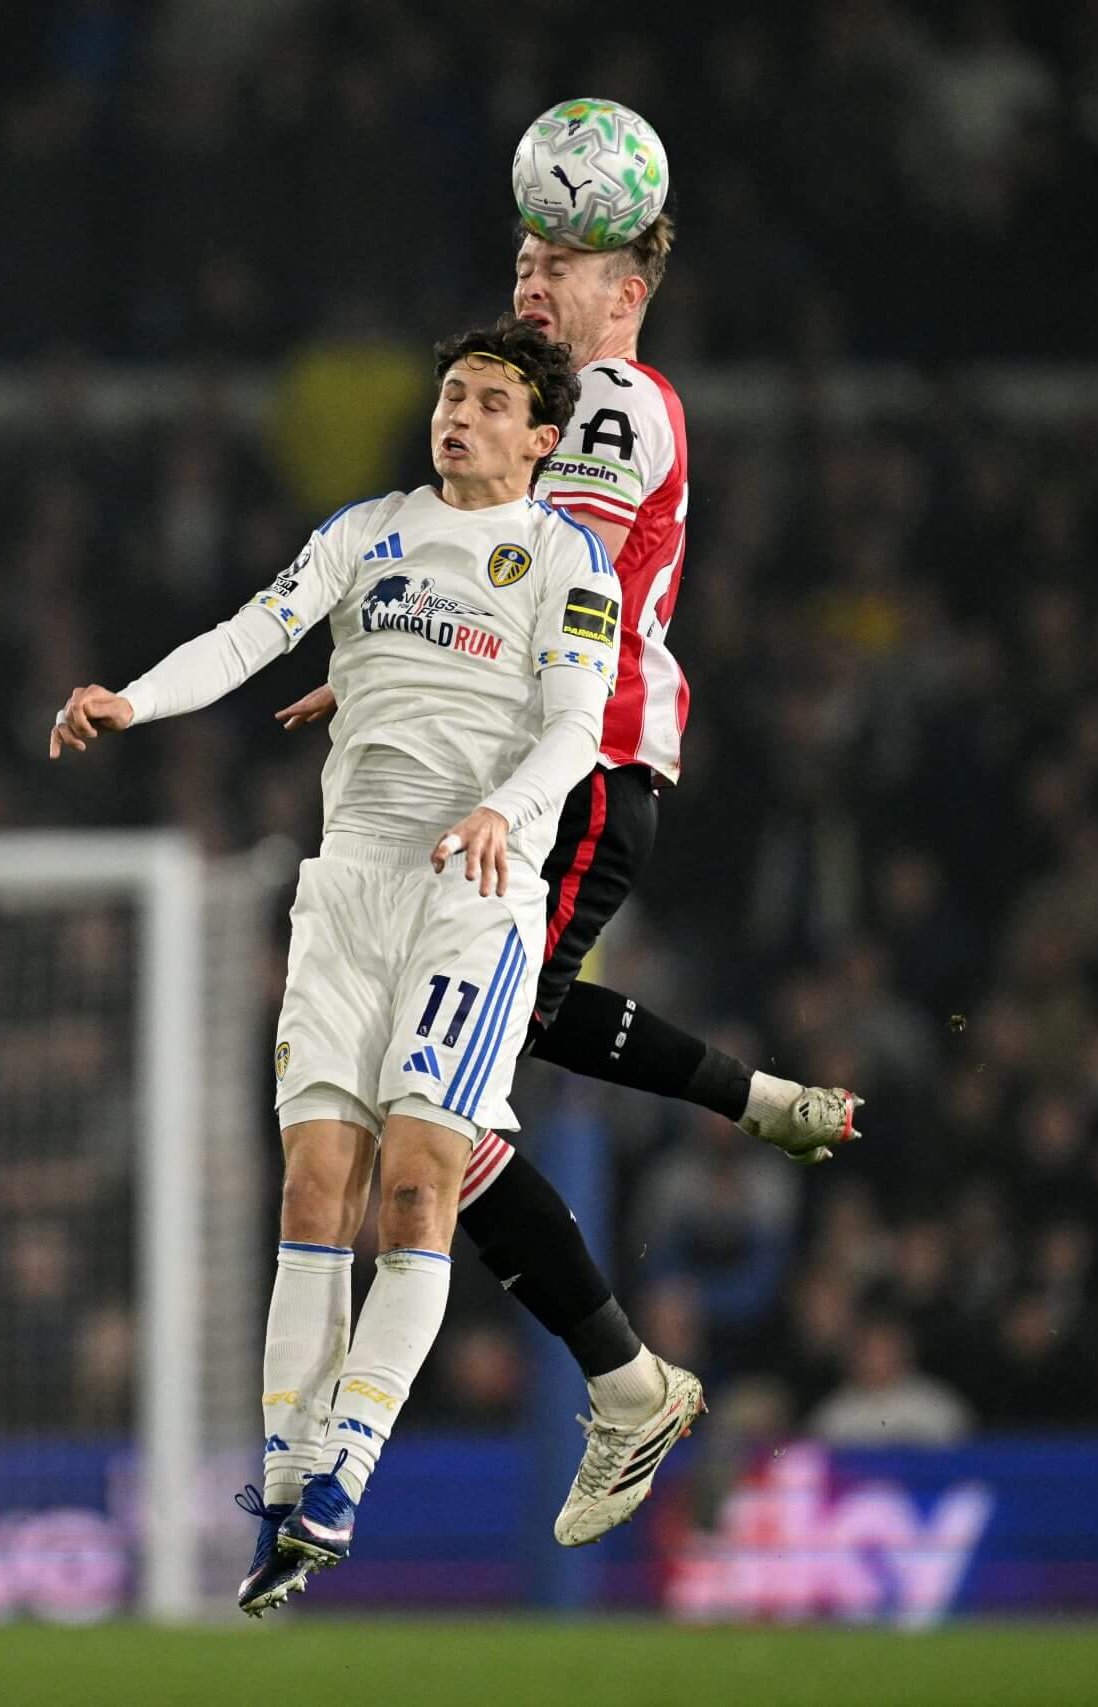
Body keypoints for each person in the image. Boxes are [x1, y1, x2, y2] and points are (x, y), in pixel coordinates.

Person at [276, 209, 862, 1544]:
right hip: (529, 776)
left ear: (630, 288)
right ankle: (656, 1318)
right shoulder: (570, 406)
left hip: (579, 769)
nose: (532, 282)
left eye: (564, 265)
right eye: (525, 263)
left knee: (447, 1103)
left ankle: (631, 1376)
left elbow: (543, 575)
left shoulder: (611, 404)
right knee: (452, 1100)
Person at [51, 317, 623, 1615]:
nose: (459, 414)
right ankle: (283, 1484)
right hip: (345, 889)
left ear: (542, 438)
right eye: (452, 394)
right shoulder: (366, 532)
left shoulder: (564, 558)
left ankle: (345, 1470)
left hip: (471, 894)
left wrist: (505, 813)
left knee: (418, 1189)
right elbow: (250, 636)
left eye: (489, 401)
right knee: (315, 1187)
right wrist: (134, 699)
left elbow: (576, 726)